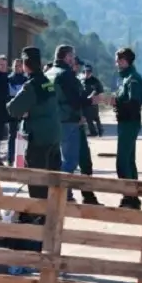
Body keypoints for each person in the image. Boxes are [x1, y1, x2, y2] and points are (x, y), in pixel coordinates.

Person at [7, 46, 61, 206]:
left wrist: (26, 111)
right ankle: (51, 216)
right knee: (52, 179)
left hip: (38, 139)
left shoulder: (31, 86)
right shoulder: (47, 83)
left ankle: (40, 217)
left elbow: (13, 108)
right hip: (54, 138)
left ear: (25, 64)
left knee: (37, 180)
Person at [45, 45, 86, 181]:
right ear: (67, 57)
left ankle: (54, 193)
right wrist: (90, 101)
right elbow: (74, 100)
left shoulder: (49, 73)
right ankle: (63, 194)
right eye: (72, 56)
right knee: (69, 161)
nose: (74, 59)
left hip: (51, 120)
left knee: (55, 161)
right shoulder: (66, 74)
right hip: (68, 120)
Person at [112, 47, 142, 209]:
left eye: (118, 60)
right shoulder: (125, 78)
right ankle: (133, 197)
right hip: (124, 122)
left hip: (129, 123)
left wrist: (114, 102)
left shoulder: (133, 79)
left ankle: (129, 196)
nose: (116, 63)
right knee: (129, 161)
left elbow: (134, 103)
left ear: (125, 61)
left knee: (122, 161)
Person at [7, 58, 28, 165]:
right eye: (15, 66)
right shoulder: (9, 79)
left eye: (19, 66)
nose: (17, 68)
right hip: (13, 111)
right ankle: (10, 159)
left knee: (24, 135)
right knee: (12, 135)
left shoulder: (26, 80)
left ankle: (23, 159)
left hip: (24, 112)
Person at [81, 64, 105, 137]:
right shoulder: (81, 80)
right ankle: (93, 132)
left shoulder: (95, 81)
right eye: (86, 71)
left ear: (91, 72)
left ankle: (100, 130)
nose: (87, 73)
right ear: (83, 72)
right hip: (84, 102)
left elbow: (99, 91)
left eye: (89, 72)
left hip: (93, 102)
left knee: (96, 117)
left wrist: (93, 96)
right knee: (88, 118)